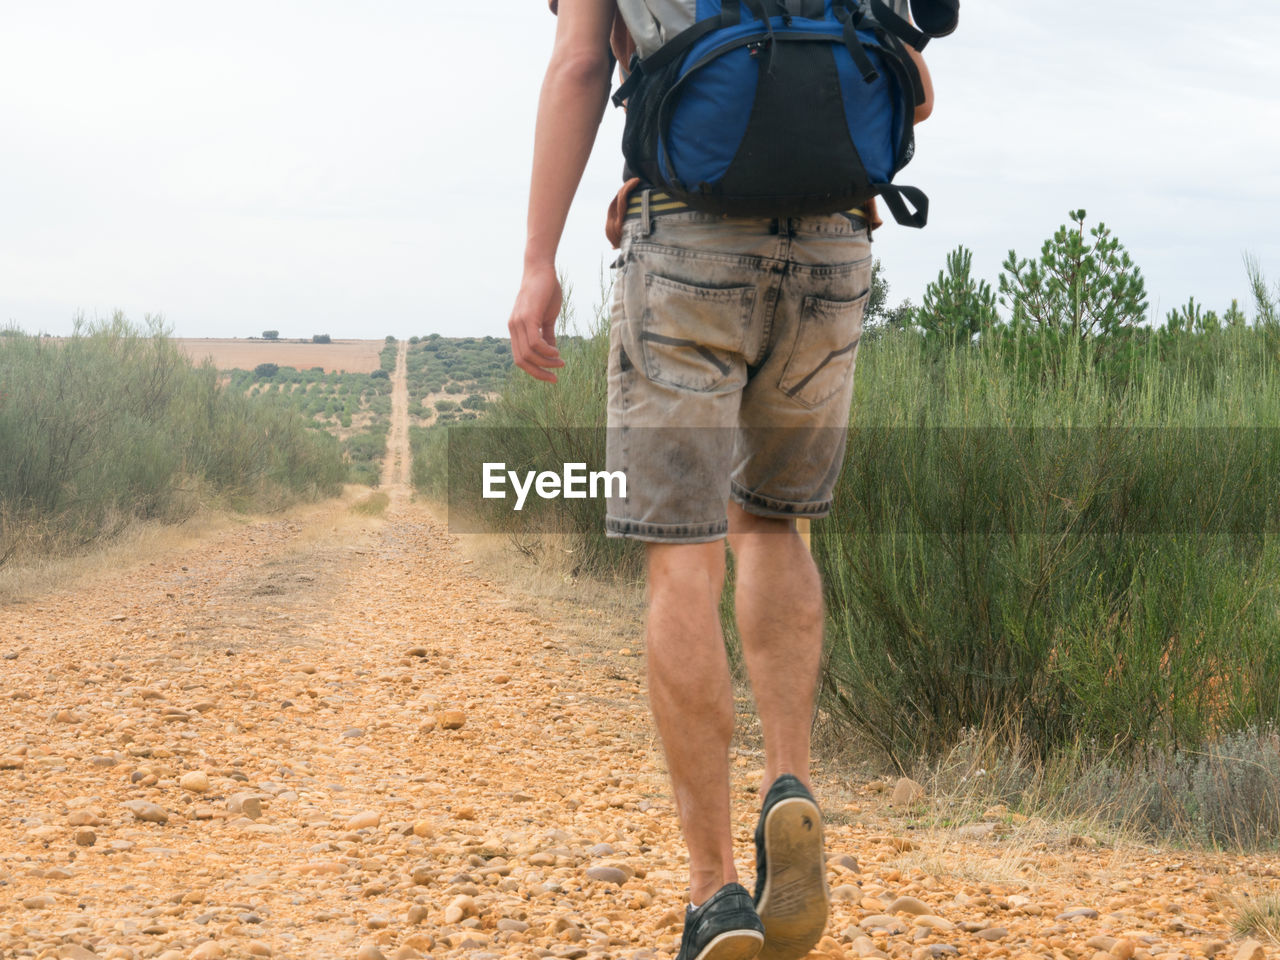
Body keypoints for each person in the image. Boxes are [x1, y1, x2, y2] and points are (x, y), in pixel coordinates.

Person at [508, 3, 933, 959]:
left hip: (688, 246)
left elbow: (580, 68)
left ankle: (715, 896)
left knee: (683, 562)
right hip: (833, 251)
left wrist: (539, 263)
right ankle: (790, 783)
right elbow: (919, 89)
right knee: (774, 529)